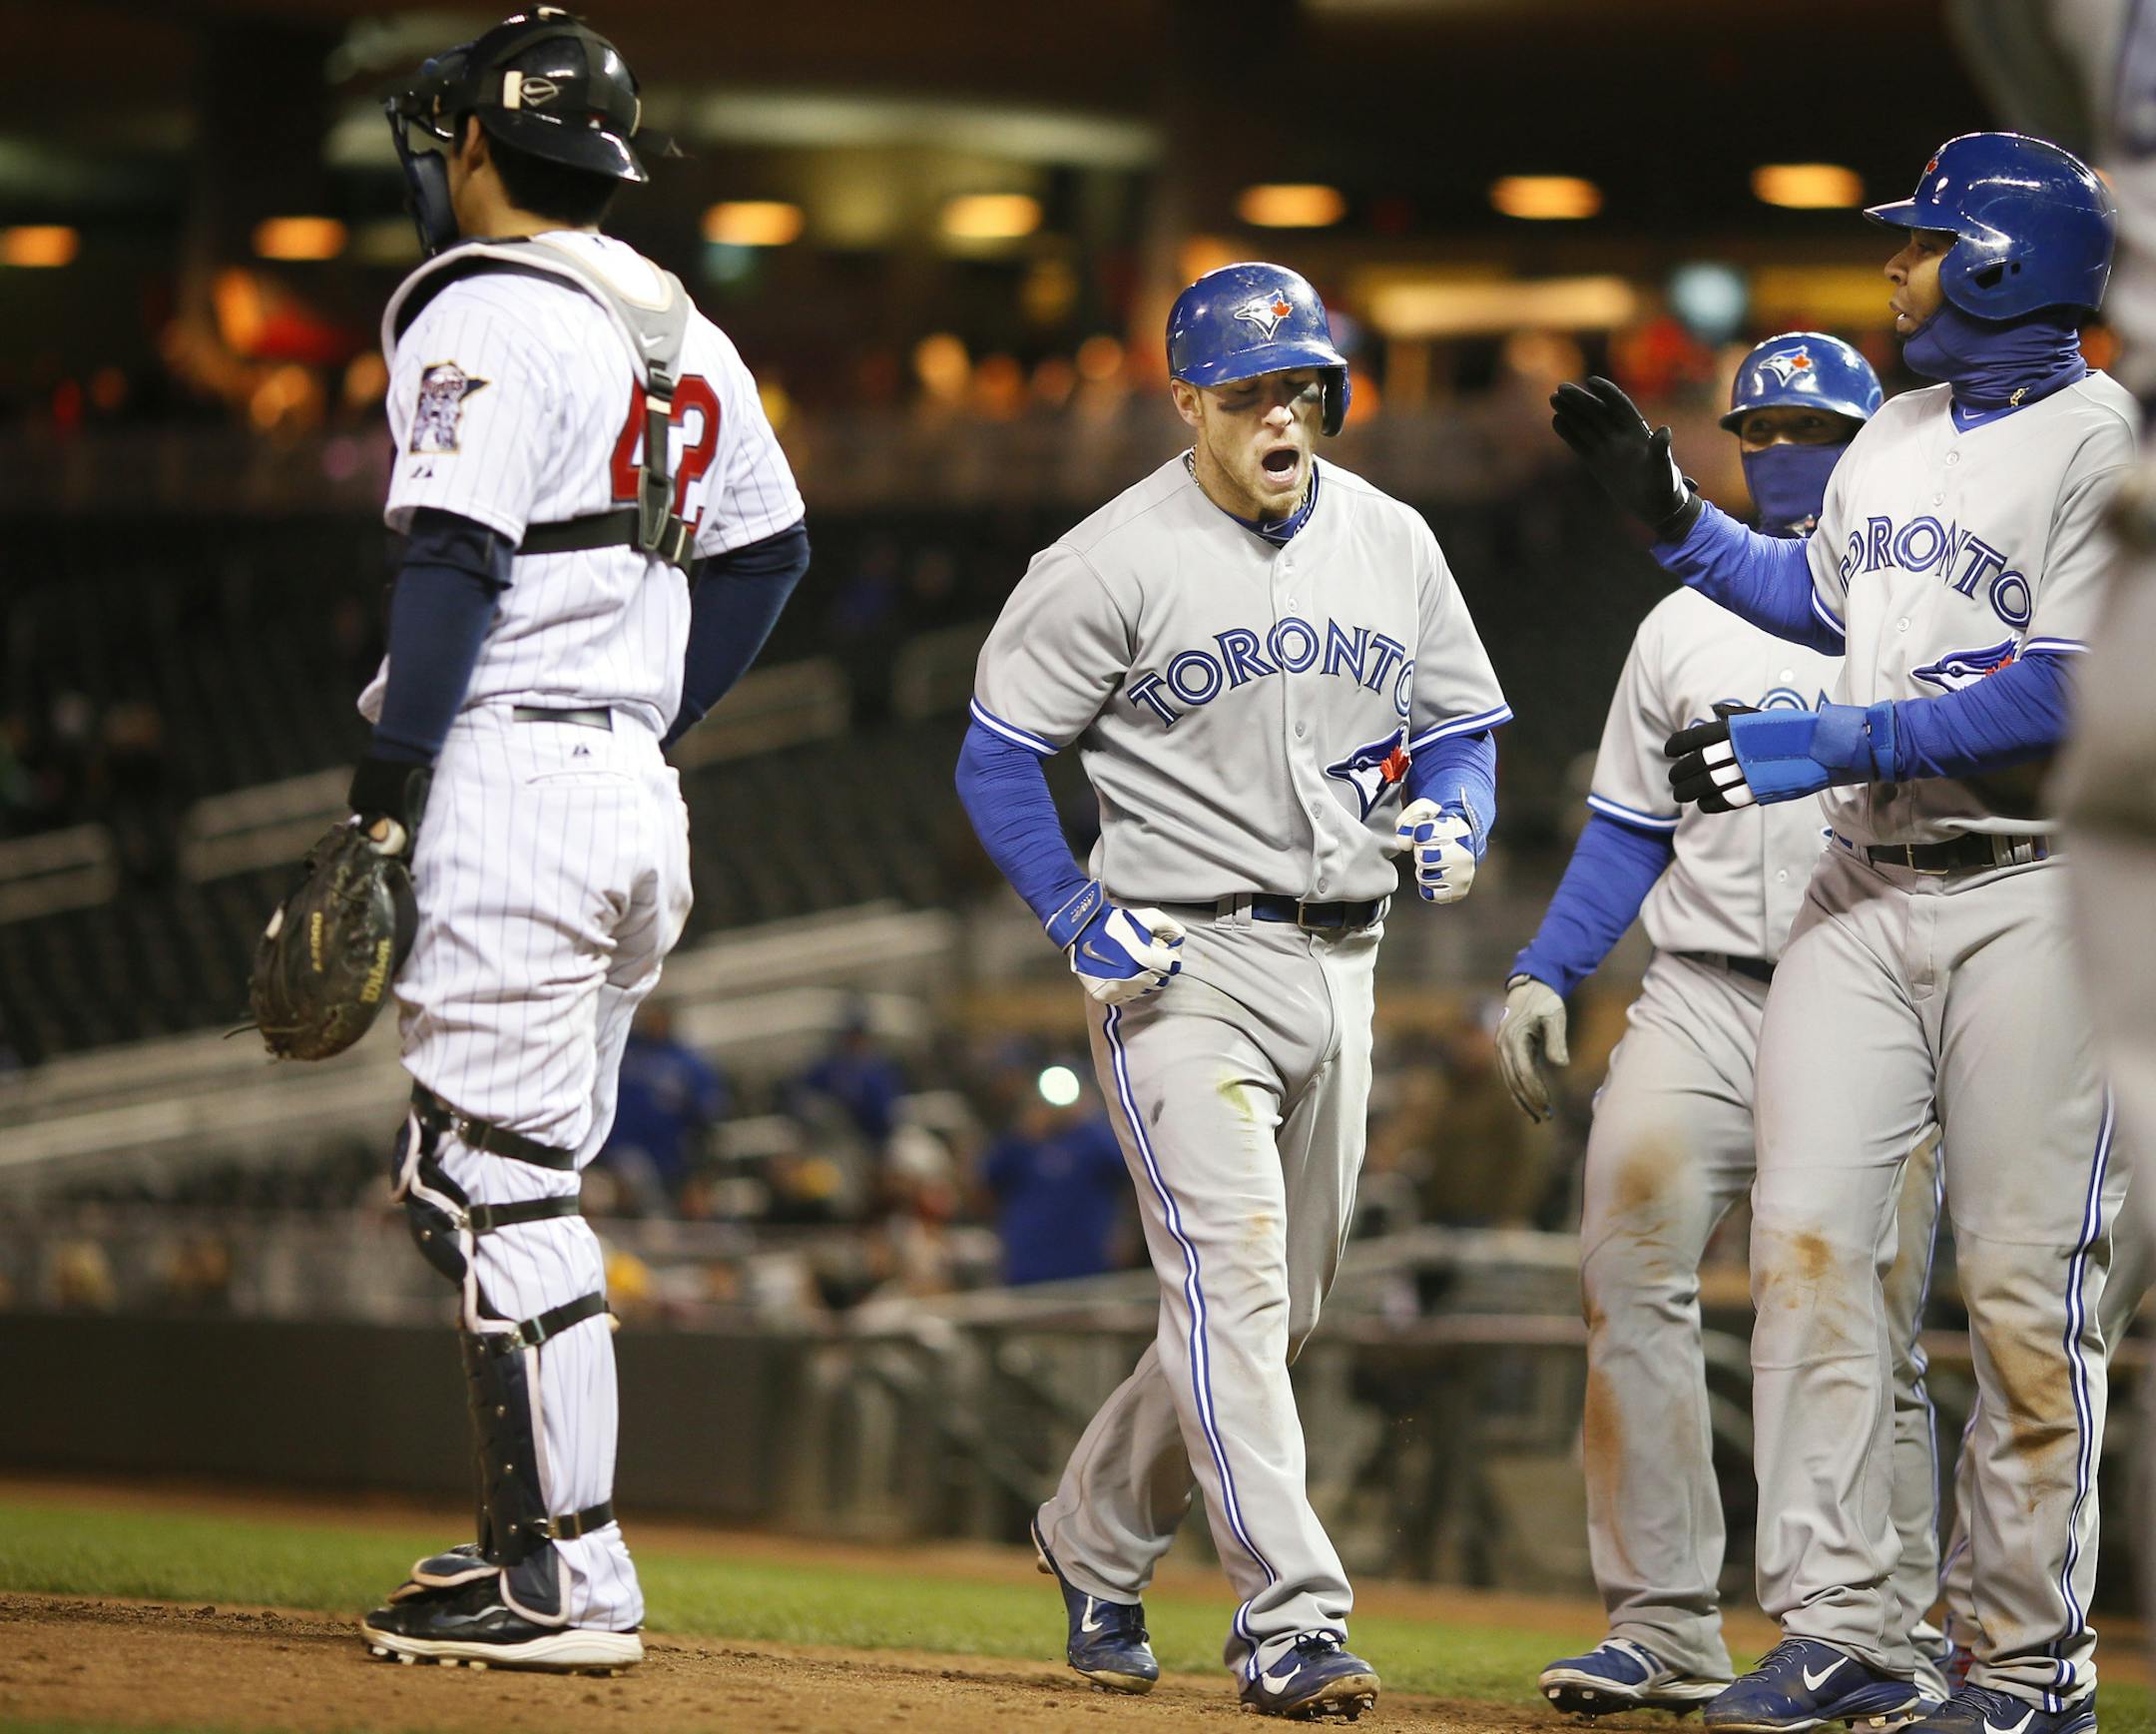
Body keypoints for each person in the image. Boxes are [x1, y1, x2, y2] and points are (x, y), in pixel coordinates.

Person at [1551, 133, 2131, 1734]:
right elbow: (1821, 600)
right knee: (1805, 1262)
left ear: (2006, 263)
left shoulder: (2108, 446)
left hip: (2040, 894)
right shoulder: (1899, 436)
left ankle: (2026, 1670)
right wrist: (1669, 517)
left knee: (2024, 1297)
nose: (1897, 265)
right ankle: (1846, 1629)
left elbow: (2072, 694)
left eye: (1924, 242)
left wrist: (1840, 742)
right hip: (1863, 891)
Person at [955, 261, 1510, 1719]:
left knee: (1267, 1308)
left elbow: (1464, 724)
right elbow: (998, 754)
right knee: (1235, 1281)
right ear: (1188, 398)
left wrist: (1460, 808)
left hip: (1348, 961)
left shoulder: (1391, 539)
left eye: (1302, 387)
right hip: (1184, 964)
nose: (1281, 413)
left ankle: (1092, 1531)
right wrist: (1074, 907)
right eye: (1250, 390)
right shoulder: (1105, 558)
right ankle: (1291, 1617)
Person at [348, 8, 808, 1674]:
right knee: (514, 1180)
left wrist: (383, 793)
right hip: (629, 792)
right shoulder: (679, 325)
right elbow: (766, 558)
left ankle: (564, 1577)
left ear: (478, 142)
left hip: (517, 782)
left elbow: (456, 557)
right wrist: (639, 706)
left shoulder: (485, 309)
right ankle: (541, 1543)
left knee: (487, 1182)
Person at [1506, 335, 1958, 1717]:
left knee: (1859, 1316)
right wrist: (1549, 967)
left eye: (1810, 422)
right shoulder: (1679, 624)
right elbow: (1629, 829)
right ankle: (1661, 1622)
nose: (1779, 446)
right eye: (1756, 423)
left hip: (1871, 972)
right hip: (1700, 991)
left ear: (1869, 437)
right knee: (1625, 1262)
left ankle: (1889, 1630)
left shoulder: (1917, 606)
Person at [597, 1004, 729, 1214]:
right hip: (615, 1151)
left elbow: (708, 1119)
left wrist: (699, 1170)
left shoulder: (688, 1063)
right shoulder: (624, 1051)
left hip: (670, 1159)